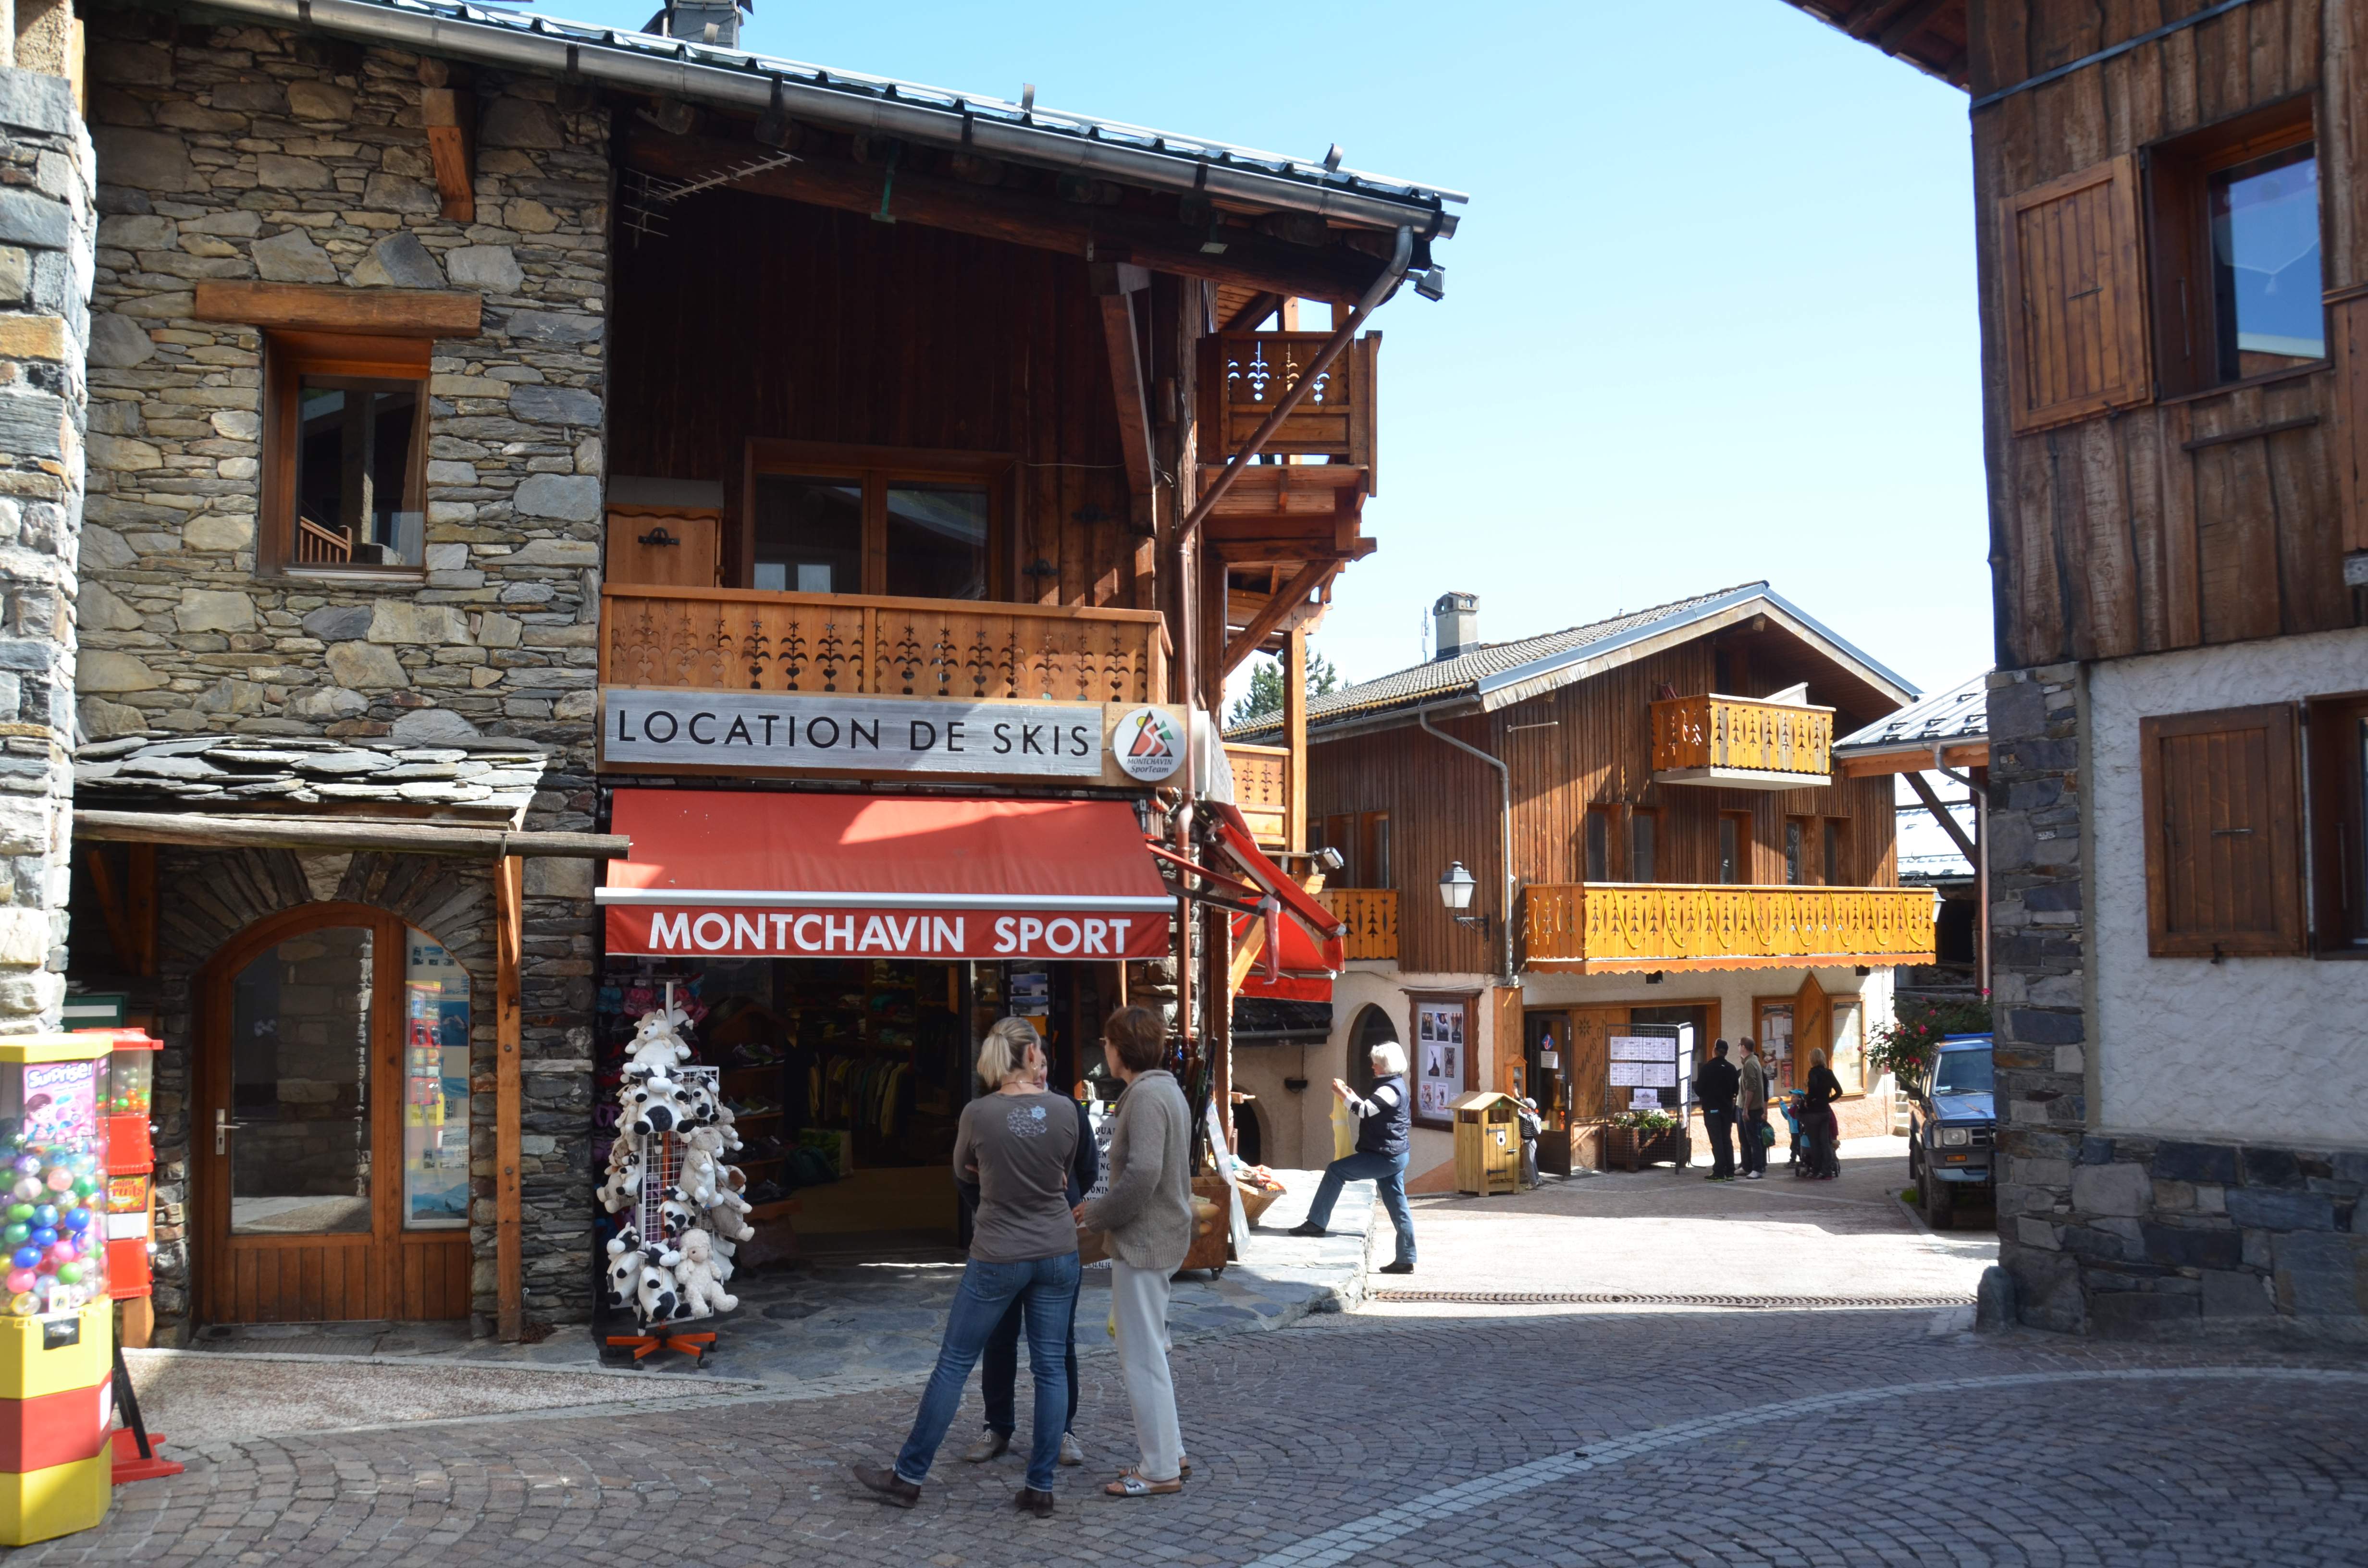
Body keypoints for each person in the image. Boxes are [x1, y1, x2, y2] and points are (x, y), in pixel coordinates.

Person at [853, 1018, 1081, 1519]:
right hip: (1056, 1249)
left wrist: (995, 1174)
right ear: (1028, 1057)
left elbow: (962, 1172)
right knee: (1049, 1368)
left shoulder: (977, 1114)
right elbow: (1065, 1171)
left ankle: (908, 1476)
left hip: (998, 1249)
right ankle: (1039, 1486)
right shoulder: (1065, 1110)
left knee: (955, 1363)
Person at [959, 1046, 1099, 1470]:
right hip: (1003, 1243)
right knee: (1000, 1338)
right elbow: (964, 1170)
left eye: (1042, 1065)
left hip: (1054, 1244)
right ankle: (998, 1426)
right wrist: (984, 1209)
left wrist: (1067, 1200)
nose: (1038, 1072)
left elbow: (1088, 1166)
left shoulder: (1066, 1109)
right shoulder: (991, 1112)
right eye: (1032, 1064)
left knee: (1058, 1347)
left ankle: (1062, 1431)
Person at [1074, 1005, 1192, 1499]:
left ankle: (1159, 1468)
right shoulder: (1164, 1090)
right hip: (1158, 1238)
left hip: (1144, 1243)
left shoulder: (1145, 1097)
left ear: (1120, 1047)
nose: (1104, 1050)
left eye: (1106, 1042)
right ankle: (1171, 1453)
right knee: (1150, 1355)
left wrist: (1095, 1214)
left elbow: (1142, 1173)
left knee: (1141, 1358)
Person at [1287, 1041, 1416, 1274]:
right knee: (1398, 1205)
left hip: (1384, 1156)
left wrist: (1341, 1094)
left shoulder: (1388, 1089)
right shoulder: (1395, 1085)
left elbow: (1364, 1111)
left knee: (1336, 1171)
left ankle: (1316, 1223)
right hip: (1396, 1154)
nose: (1373, 1066)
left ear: (1385, 1066)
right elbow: (1368, 1105)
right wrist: (1349, 1095)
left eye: (1376, 1063)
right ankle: (1406, 1257)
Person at [1693, 1039, 1740, 1182]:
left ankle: (1719, 1171)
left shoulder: (1708, 1068)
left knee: (1717, 1140)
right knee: (1726, 1138)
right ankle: (1730, 1171)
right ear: (1726, 1052)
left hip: (1712, 1109)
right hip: (1727, 1109)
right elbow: (1736, 1090)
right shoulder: (1732, 1068)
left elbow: (1699, 1089)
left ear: (1715, 1050)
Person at [1803, 1046, 1843, 1180]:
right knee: (1825, 1143)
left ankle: (1816, 1169)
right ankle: (1827, 1171)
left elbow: (1813, 1087)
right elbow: (1839, 1091)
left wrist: (1808, 1099)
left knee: (1815, 1143)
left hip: (1814, 1112)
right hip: (1825, 1111)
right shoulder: (1829, 1073)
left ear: (1812, 1059)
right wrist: (1827, 1100)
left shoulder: (1813, 1073)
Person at [1736, 1038, 1769, 1181]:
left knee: (1753, 1139)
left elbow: (1751, 1087)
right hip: (1744, 1106)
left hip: (1750, 1109)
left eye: (1739, 1045)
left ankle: (1757, 1168)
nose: (1738, 1048)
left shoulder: (1751, 1063)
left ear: (1744, 1047)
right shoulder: (1750, 1061)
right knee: (1745, 1138)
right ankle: (1747, 1166)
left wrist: (1746, 1109)